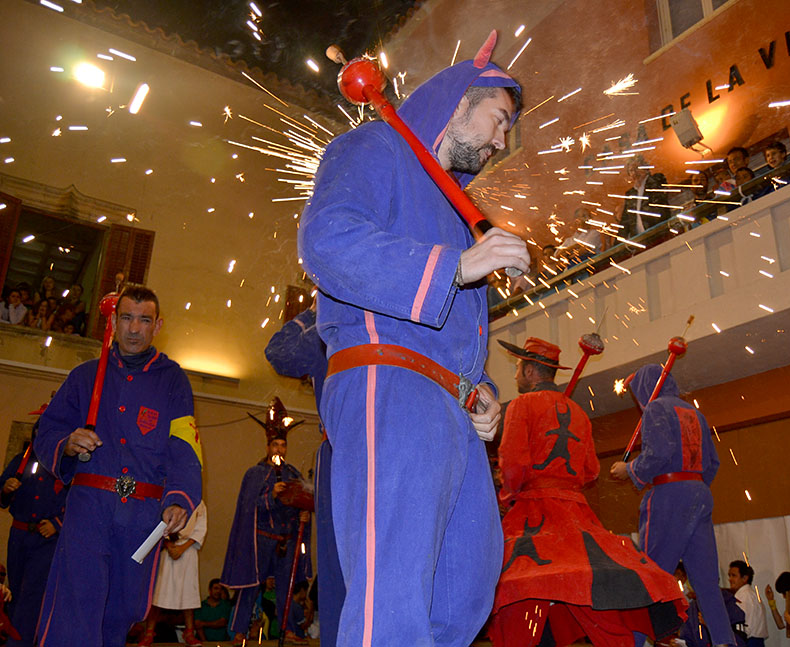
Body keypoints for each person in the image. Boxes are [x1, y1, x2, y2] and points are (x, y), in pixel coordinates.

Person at [296, 31, 531, 647]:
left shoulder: (457, 206)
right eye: (500, 119)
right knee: (391, 600)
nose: (502, 142)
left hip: (447, 408)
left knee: (466, 595)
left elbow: (452, 328)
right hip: (388, 387)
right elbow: (327, 242)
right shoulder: (371, 146)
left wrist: (477, 391)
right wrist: (456, 267)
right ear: (461, 98)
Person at [32, 285, 203, 647]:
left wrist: (179, 498)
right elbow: (45, 431)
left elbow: (185, 446)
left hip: (141, 518)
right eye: (126, 318)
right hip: (87, 513)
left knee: (123, 611)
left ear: (158, 326)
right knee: (77, 608)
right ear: (113, 320)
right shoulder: (84, 377)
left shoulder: (174, 381)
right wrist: (67, 443)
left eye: (144, 320)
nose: (134, 329)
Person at [489, 338, 686, 647]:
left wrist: (506, 498)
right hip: (576, 513)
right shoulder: (578, 413)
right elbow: (591, 470)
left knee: (513, 586)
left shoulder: (521, 405)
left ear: (529, 372)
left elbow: (513, 465)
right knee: (587, 587)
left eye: (516, 369)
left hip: (535, 512)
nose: (514, 376)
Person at [609, 363, 735, 647]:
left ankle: (636, 642)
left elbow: (658, 454)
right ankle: (725, 641)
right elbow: (713, 462)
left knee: (651, 574)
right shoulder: (696, 413)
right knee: (706, 581)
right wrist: (694, 488)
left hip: (669, 495)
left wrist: (628, 470)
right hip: (700, 494)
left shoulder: (656, 409)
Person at [263, 301, 344, 647]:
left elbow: (279, 349)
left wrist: (314, 310)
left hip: (361, 455)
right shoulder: (329, 331)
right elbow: (281, 353)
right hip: (339, 455)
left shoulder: (331, 325)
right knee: (337, 576)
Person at [221, 398, 312, 646]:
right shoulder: (255, 474)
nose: (279, 449)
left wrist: (304, 514)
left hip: (287, 540)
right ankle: (238, 632)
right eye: (275, 444)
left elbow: (302, 502)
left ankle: (289, 630)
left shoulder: (294, 473)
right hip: (260, 539)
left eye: (283, 445)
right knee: (250, 585)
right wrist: (271, 495)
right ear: (268, 445)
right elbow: (249, 507)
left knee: (286, 587)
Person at [0, 406, 68, 647]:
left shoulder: (67, 468)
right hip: (19, 535)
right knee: (15, 589)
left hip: (46, 539)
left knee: (33, 595)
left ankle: (19, 643)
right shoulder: (22, 460)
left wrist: (57, 524)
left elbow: (78, 503)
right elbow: (2, 496)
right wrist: (5, 489)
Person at [139, 501, 208, 647]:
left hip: (187, 550)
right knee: (158, 592)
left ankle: (189, 632)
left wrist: (183, 547)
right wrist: (168, 544)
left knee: (188, 592)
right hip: (166, 550)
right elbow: (157, 521)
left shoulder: (198, 502)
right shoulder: (169, 496)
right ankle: (149, 633)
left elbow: (200, 527)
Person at [616, 155, 670, 242]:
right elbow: (625, 222)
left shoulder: (656, 179)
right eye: (631, 170)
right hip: (641, 241)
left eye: (637, 168)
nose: (635, 173)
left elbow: (659, 200)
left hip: (659, 234)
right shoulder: (630, 194)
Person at [728, 560, 768, 647]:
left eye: (734, 576)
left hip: (748, 642)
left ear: (745, 578)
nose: (730, 579)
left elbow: (743, 627)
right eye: (729, 575)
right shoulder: (751, 594)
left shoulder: (744, 596)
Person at [194, 578, 233, 643]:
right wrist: (205, 643)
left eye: (220, 589)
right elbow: (198, 625)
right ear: (210, 590)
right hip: (202, 643)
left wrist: (203, 623)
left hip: (222, 643)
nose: (218, 591)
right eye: (216, 588)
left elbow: (222, 622)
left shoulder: (226, 605)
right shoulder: (200, 606)